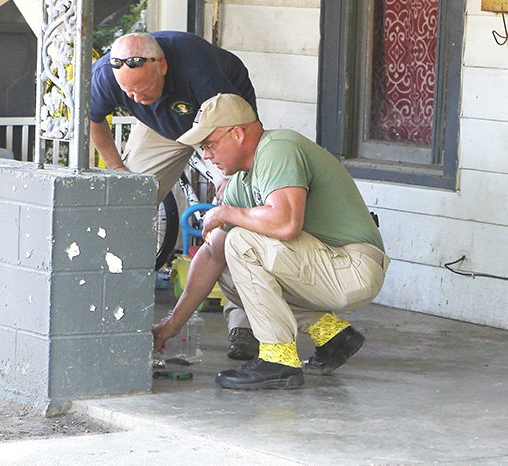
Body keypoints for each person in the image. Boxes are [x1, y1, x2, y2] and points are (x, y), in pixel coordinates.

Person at [152, 93, 390, 390]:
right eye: (202, 149)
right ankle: (331, 335)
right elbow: (213, 255)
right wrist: (172, 324)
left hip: (353, 266)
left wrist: (226, 211)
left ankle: (278, 359)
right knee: (227, 270)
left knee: (240, 241)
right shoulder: (242, 181)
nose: (207, 157)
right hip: (325, 267)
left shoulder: (278, 149)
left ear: (237, 133)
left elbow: (286, 223)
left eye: (209, 145)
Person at [90, 31, 258, 361]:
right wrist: (119, 169)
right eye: (128, 92)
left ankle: (245, 324)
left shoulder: (198, 66)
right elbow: (94, 120)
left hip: (218, 120)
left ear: (162, 66)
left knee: (238, 217)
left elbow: (234, 129)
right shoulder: (106, 76)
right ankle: (115, 310)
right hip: (159, 126)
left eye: (143, 89)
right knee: (127, 204)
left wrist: (228, 178)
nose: (136, 98)